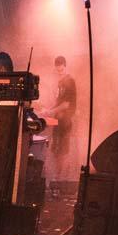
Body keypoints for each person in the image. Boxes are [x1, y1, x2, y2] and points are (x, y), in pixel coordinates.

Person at [41, 55, 77, 184]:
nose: (59, 72)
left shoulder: (70, 81)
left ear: (65, 66)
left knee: (62, 151)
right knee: (56, 149)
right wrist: (46, 111)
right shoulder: (60, 83)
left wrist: (50, 111)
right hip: (58, 121)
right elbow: (58, 103)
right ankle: (56, 177)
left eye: (61, 70)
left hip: (65, 121)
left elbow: (66, 104)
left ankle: (61, 179)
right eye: (57, 70)